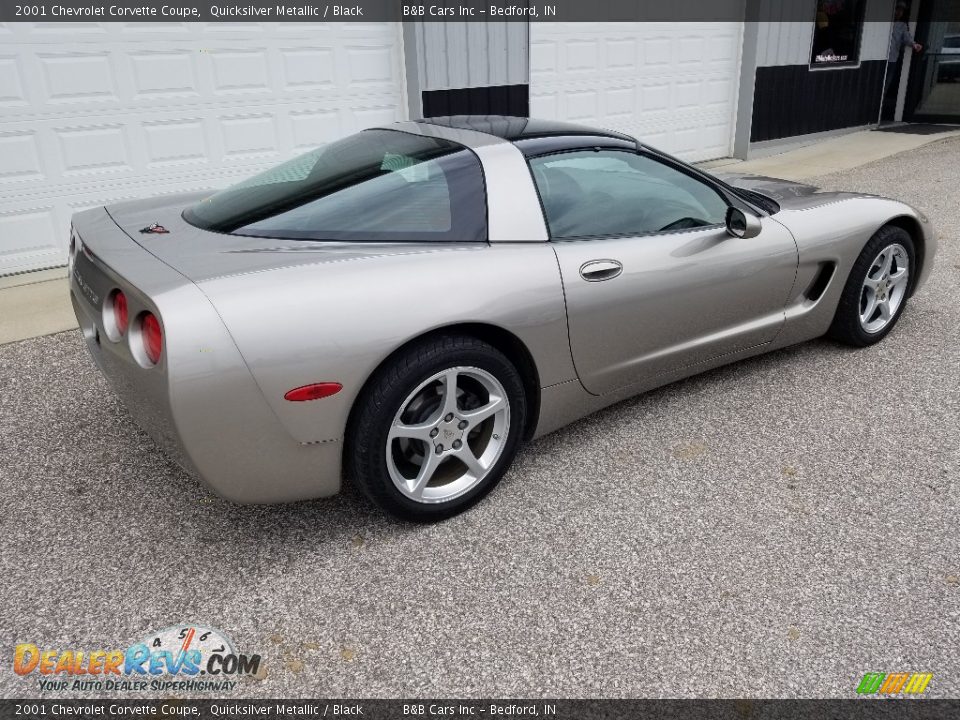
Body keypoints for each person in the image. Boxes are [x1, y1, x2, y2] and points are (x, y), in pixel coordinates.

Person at [886, 1, 923, 98]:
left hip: (892, 59)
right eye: (897, 9)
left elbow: (907, 38)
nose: (899, 12)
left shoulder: (902, 26)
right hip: (879, 59)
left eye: (901, 11)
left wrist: (914, 44)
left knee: (886, 83)